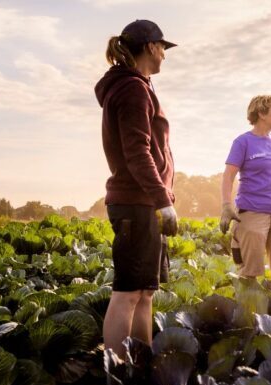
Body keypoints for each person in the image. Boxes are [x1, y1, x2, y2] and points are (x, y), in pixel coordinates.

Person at [95, 20, 178, 358]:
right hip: (136, 203)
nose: (164, 54)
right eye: (162, 47)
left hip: (144, 204)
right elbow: (137, 151)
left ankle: (142, 363)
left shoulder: (137, 86)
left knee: (145, 292)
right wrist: (163, 200)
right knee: (127, 292)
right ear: (148, 47)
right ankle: (116, 371)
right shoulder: (131, 89)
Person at [219, 95, 271, 282]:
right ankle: (249, 310)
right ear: (261, 113)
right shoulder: (243, 142)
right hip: (252, 212)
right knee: (250, 273)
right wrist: (226, 205)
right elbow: (228, 175)